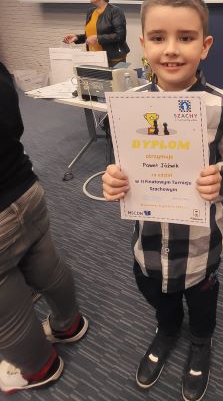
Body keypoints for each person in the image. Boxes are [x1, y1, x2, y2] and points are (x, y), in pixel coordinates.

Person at [102, 0, 223, 401]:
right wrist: (113, 181)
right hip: (148, 240)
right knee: (157, 294)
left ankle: (201, 340)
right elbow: (119, 165)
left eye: (185, 38)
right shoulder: (127, 106)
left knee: (201, 300)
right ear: (143, 44)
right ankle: (166, 331)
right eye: (158, 37)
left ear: (205, 46)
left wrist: (221, 178)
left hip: (201, 242)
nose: (171, 49)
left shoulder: (222, 106)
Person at [0, 62, 88, 394]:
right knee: (47, 266)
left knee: (6, 313)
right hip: (25, 188)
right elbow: (13, 122)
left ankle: (39, 367)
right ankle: (69, 324)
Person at [63, 0, 130, 66]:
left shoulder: (115, 11)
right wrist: (77, 37)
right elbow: (91, 35)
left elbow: (120, 36)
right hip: (94, 58)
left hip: (113, 59)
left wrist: (98, 38)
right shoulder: (91, 12)